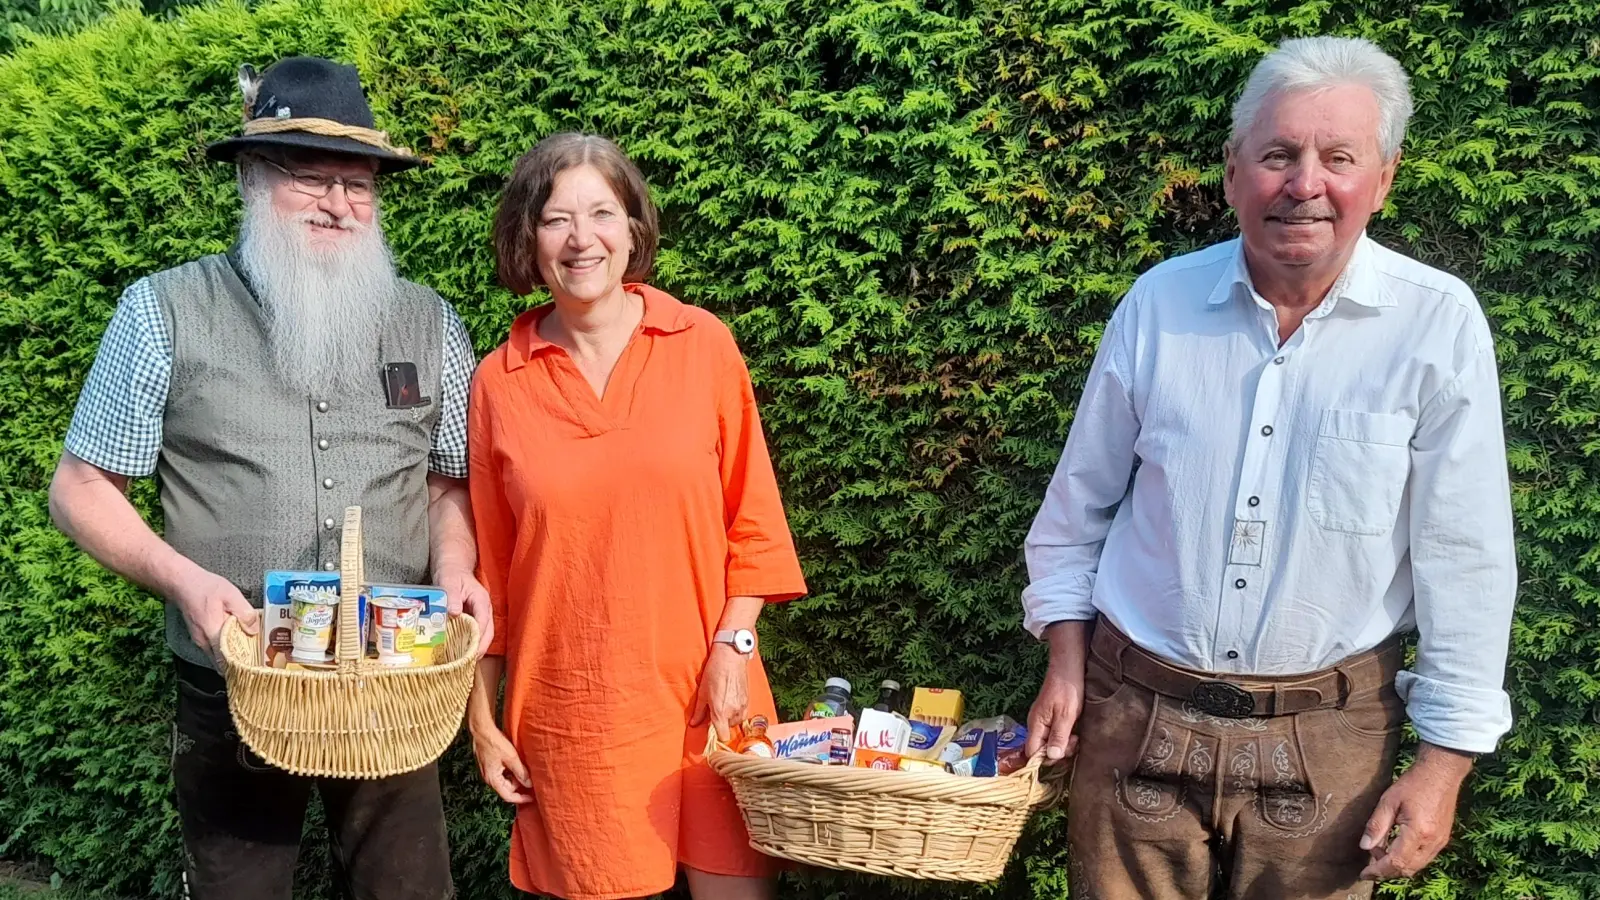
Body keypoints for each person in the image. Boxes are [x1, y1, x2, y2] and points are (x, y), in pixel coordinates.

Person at [1020, 36, 1516, 900]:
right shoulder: (1158, 305)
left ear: (1384, 179)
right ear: (1232, 171)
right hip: (1134, 713)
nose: (1305, 184)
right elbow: (1077, 511)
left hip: (1331, 740)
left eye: (1338, 158)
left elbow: (1467, 561)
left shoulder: (1437, 327)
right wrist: (1065, 658)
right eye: (1278, 155)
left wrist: (1443, 768)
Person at [47, 56, 492, 900]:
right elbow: (81, 487)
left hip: (391, 682)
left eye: (359, 185)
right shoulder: (161, 310)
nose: (339, 204)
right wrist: (183, 581)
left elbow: (446, 486)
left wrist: (459, 568)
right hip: (235, 679)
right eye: (310, 177)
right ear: (252, 176)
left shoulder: (431, 323)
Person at [466, 132, 807, 900]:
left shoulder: (702, 345)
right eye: (556, 219)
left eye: (601, 214)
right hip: (578, 714)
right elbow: (492, 578)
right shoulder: (500, 382)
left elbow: (754, 520)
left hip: (715, 697)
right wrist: (480, 723)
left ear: (633, 228)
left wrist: (735, 642)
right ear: (529, 238)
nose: (581, 239)